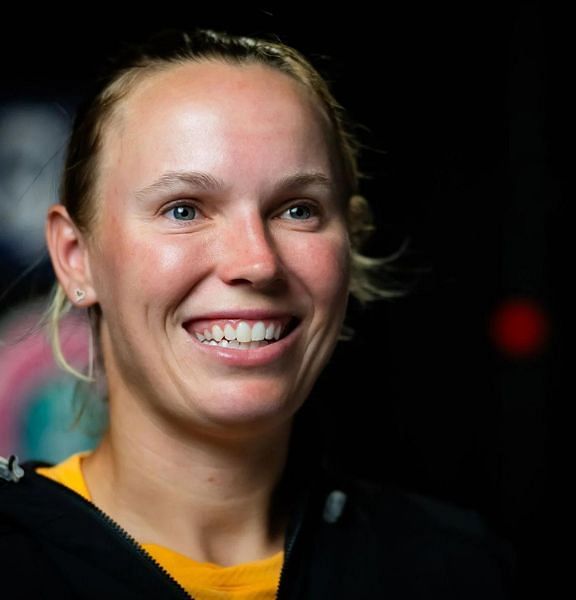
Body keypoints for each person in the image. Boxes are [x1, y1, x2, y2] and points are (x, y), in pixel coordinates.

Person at [0, 28, 511, 598]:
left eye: (298, 209)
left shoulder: (457, 570)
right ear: (77, 258)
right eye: (183, 209)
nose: (257, 262)